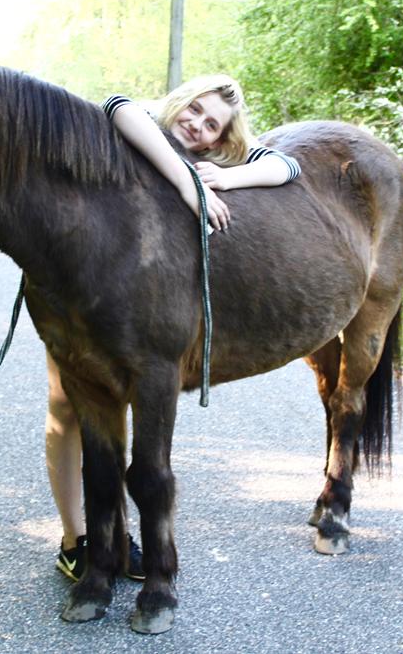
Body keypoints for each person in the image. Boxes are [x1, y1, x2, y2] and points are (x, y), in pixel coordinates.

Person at [48, 75, 301, 581]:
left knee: (125, 425)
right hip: (83, 288)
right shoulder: (138, 122)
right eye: (197, 110)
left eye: (212, 125)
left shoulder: (215, 156)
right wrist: (191, 187)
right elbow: (116, 103)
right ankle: (76, 537)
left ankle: (120, 539)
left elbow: (285, 165)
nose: (198, 125)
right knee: (65, 411)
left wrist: (228, 180)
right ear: (182, 100)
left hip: (145, 302)